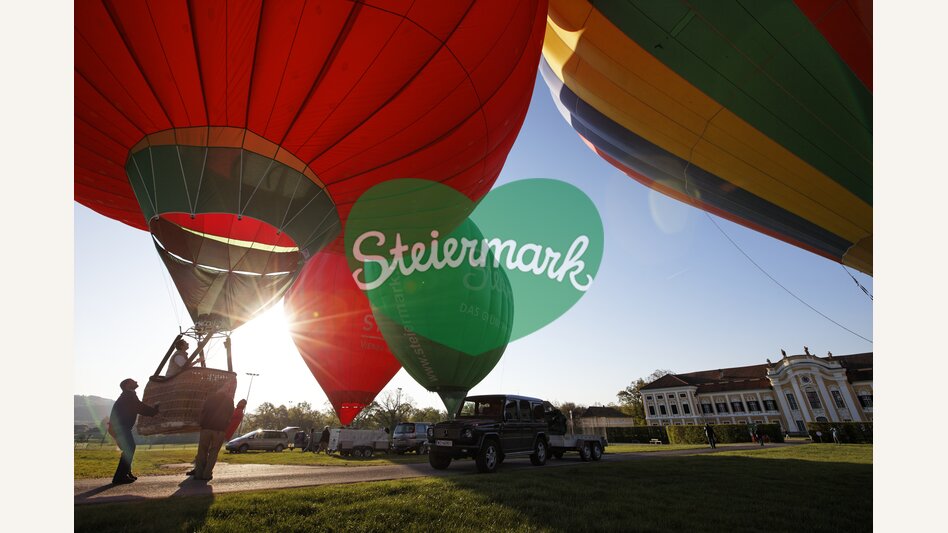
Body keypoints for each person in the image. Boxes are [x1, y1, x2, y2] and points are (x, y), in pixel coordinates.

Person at [109, 378, 159, 485]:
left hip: (120, 428)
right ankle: (119, 477)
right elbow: (140, 407)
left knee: (129, 449)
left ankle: (126, 473)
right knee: (129, 449)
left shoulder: (128, 395)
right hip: (121, 428)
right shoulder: (128, 396)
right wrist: (154, 411)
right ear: (127, 385)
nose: (136, 381)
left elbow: (138, 406)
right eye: (133, 381)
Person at [191, 390, 235, 481]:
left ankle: (198, 473)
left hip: (206, 428)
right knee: (213, 453)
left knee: (202, 452)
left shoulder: (210, 398)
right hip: (219, 430)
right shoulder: (229, 400)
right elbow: (231, 414)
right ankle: (206, 475)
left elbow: (203, 411)